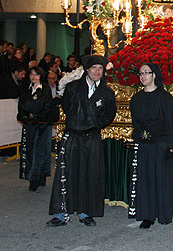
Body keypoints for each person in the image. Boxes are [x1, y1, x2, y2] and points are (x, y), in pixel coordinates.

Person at [47, 55, 117, 227]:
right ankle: (61, 213)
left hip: (92, 138)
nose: (97, 72)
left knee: (90, 173)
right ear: (86, 70)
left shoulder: (107, 92)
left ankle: (86, 212)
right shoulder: (72, 88)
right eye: (94, 68)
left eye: (100, 69)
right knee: (65, 174)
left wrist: (95, 123)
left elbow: (110, 114)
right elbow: (66, 106)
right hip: (72, 136)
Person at [128, 63, 173, 228]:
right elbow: (136, 124)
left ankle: (163, 214)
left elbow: (172, 122)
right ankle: (147, 215)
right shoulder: (136, 99)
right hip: (144, 145)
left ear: (154, 75)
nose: (143, 76)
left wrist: (172, 145)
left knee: (162, 180)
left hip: (161, 145)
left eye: (146, 73)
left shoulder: (164, 97)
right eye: (140, 73)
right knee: (145, 181)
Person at [18, 66, 58, 191]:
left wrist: (38, 116)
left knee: (40, 151)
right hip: (29, 125)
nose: (33, 77)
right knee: (29, 150)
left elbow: (46, 106)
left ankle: (38, 177)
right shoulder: (26, 89)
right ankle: (32, 176)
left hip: (42, 125)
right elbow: (21, 105)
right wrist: (23, 116)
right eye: (31, 74)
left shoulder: (45, 89)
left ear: (41, 76)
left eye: (36, 75)